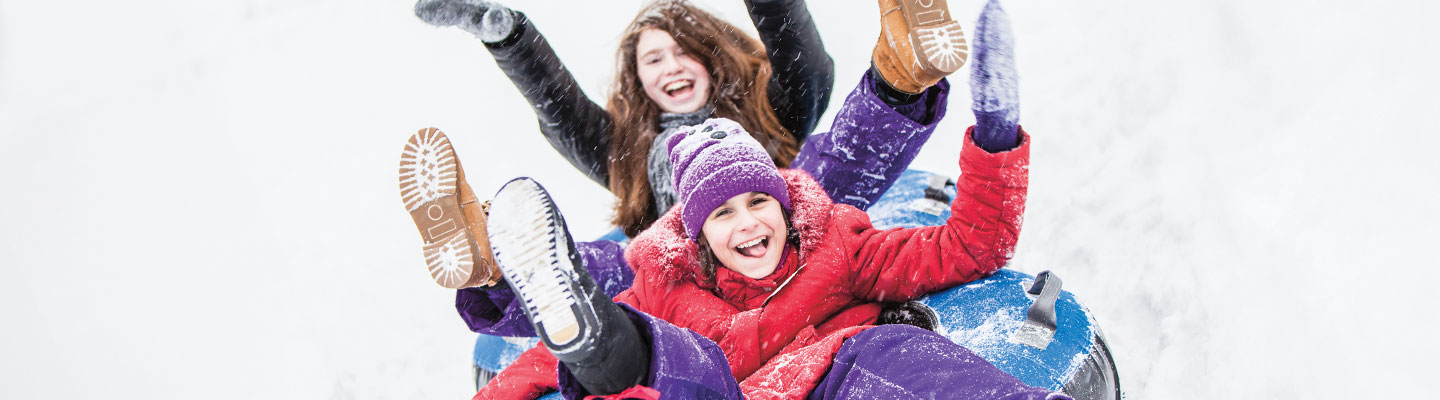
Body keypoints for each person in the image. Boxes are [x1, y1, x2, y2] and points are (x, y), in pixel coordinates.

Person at [404, 0, 970, 294]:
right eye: (653, 59)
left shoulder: (769, 109)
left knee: (818, 177)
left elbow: (800, 54)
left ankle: (901, 70)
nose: (671, 66)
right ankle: (489, 257)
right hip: (682, 282)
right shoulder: (627, 150)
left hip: (803, 248)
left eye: (685, 51)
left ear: (712, 56)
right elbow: (560, 106)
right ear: (638, 80)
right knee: (603, 268)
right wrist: (507, 34)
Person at [470, 111, 1039, 399]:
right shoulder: (664, 288)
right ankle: (596, 330)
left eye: (759, 201)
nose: (747, 223)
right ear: (698, 236)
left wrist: (995, 138)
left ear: (784, 206)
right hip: (727, 395)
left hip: (831, 377)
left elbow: (965, 247)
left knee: (893, 347)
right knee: (677, 365)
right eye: (722, 214)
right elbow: (546, 361)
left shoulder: (836, 244)